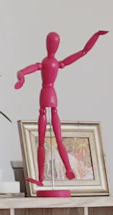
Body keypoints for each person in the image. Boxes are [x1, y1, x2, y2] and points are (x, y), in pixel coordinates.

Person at [13, 29, 107, 188]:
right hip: (52, 96)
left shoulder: (42, 64)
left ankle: (42, 178)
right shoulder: (57, 63)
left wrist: (21, 79)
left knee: (42, 141)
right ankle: (66, 170)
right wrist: (95, 36)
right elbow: (83, 52)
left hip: (45, 95)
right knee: (57, 138)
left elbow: (22, 71)